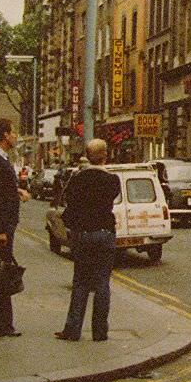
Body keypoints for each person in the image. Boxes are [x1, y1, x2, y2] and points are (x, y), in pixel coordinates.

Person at [55, 139, 121, 342]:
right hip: (104, 234)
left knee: (80, 282)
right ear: (106, 156)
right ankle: (100, 332)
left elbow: (68, 205)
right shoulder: (113, 180)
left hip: (83, 234)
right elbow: (113, 199)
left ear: (86, 155)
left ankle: (73, 330)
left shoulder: (77, 179)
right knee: (102, 283)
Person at [0, 119, 30, 337]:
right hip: (2, 227)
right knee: (2, 272)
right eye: (13, 132)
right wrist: (0, 230)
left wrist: (16, 191)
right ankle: (1, 325)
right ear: (4, 135)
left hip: (4, 225)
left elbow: (0, 190)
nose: (15, 135)